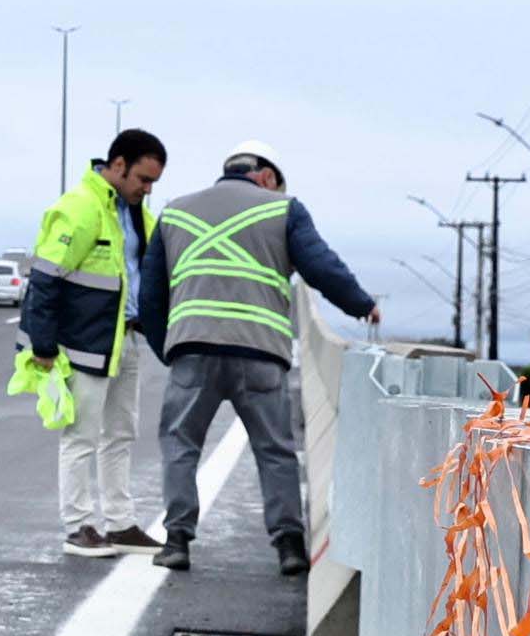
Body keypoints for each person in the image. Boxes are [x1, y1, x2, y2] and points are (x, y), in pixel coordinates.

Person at [148, 141, 379, 578]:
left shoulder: (174, 211)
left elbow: (152, 291)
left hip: (193, 350)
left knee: (180, 446)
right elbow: (321, 267)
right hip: (260, 353)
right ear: (268, 177)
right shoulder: (283, 209)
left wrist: (170, 348)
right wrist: (362, 305)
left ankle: (177, 540)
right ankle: (290, 547)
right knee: (275, 451)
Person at [22, 130, 166, 557]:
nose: (147, 189)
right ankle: (78, 525)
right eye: (143, 178)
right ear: (117, 165)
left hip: (125, 339)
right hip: (83, 343)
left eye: (153, 182)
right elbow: (45, 278)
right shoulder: (80, 208)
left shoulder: (138, 214)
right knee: (81, 435)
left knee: (121, 434)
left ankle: (120, 524)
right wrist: (43, 346)